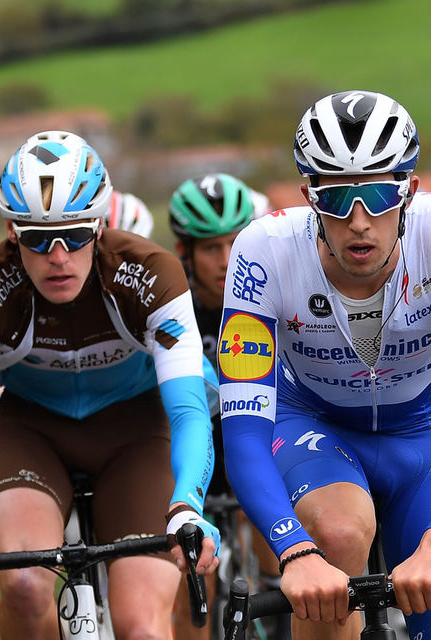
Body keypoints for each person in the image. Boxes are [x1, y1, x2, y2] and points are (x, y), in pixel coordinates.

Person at [217, 90, 431, 640]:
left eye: (380, 194)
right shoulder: (263, 250)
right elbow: (241, 430)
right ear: (309, 196)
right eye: (337, 199)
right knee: (336, 536)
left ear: (410, 192)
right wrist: (293, 550)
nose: (360, 221)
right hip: (315, 425)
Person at [0, 130, 220, 639]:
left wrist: (189, 504)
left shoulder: (151, 274)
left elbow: (189, 412)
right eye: (37, 237)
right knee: (24, 586)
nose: (58, 256)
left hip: (136, 437)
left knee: (144, 628)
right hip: (34, 436)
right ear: (11, 232)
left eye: (76, 234)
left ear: (102, 226)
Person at [167, 172, 287, 639]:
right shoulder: (170, 306)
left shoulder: (270, 296)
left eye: (235, 243)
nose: (226, 260)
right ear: (186, 254)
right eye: (210, 249)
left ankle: (282, 604)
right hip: (194, 452)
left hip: (259, 441)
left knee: (272, 514)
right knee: (191, 580)